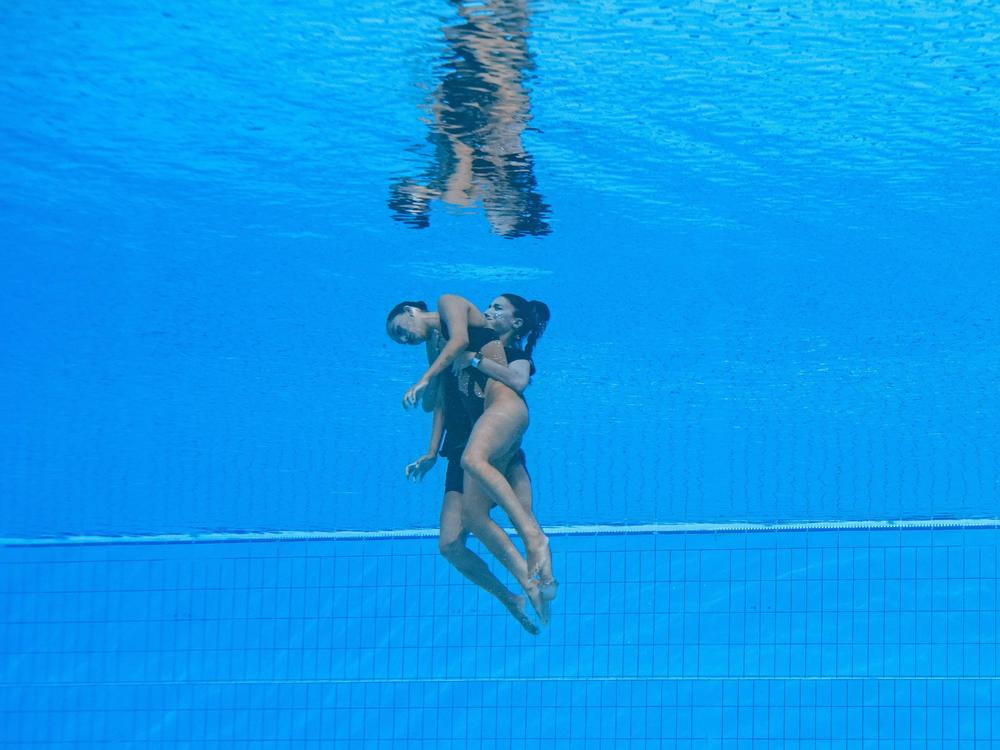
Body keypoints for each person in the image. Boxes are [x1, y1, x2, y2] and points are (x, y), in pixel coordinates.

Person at [386, 295, 556, 603]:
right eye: (488, 307)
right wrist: (431, 451)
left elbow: (516, 381)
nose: (488, 311)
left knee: (521, 513)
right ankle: (527, 591)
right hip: (466, 439)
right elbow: (438, 402)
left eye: (496, 308)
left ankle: (540, 564)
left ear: (411, 311)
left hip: (495, 433)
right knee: (462, 532)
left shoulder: (497, 348)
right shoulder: (447, 342)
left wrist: (452, 368)